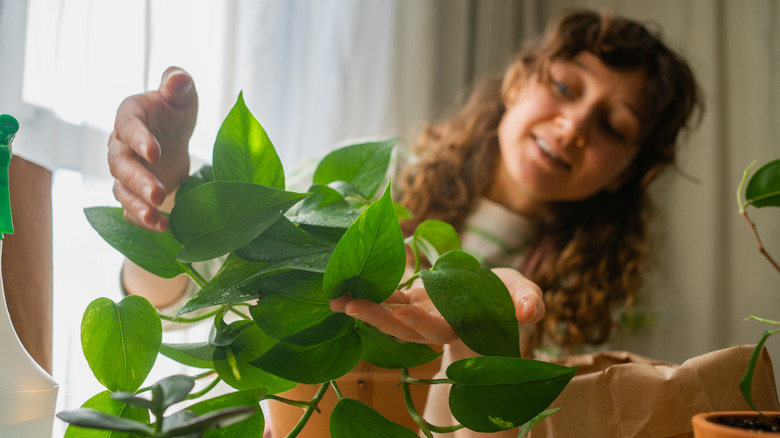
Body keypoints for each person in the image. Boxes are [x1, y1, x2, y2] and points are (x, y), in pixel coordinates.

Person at [108, 8, 702, 437]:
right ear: (520, 80)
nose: (574, 126)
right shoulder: (366, 183)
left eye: (613, 127)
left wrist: (485, 332)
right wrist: (165, 198)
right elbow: (176, 292)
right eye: (565, 87)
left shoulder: (602, 299)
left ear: (631, 172)